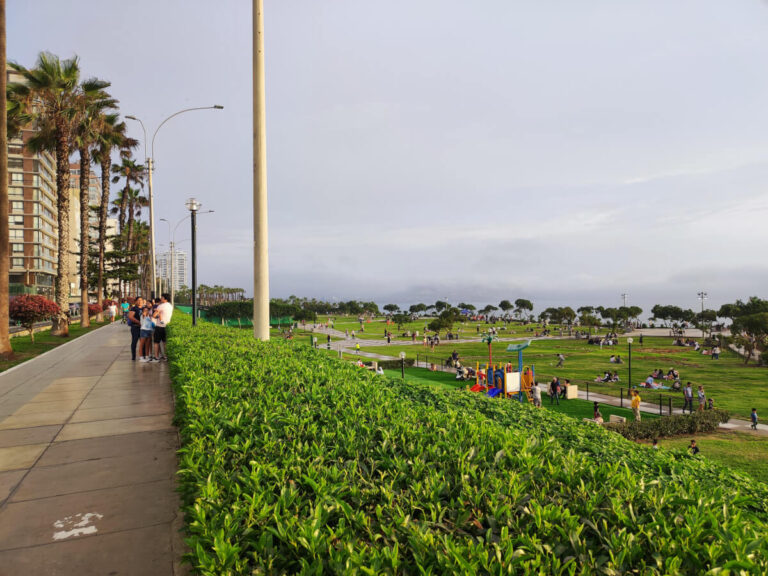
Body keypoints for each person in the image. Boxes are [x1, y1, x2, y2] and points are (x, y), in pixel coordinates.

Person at [151, 293, 173, 362]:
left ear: (165, 299)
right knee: (165, 342)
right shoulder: (170, 306)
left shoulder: (161, 306)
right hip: (167, 325)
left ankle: (156, 357)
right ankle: (165, 356)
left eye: (162, 297)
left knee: (156, 342)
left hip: (159, 326)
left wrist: (156, 314)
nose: (161, 299)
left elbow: (154, 315)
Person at [127, 297, 143, 361]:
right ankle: (133, 356)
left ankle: (143, 355)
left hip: (143, 328)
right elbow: (130, 317)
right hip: (135, 327)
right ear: (135, 301)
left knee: (143, 342)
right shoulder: (134, 308)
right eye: (138, 300)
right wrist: (138, 322)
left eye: (141, 300)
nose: (140, 302)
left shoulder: (144, 308)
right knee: (134, 341)